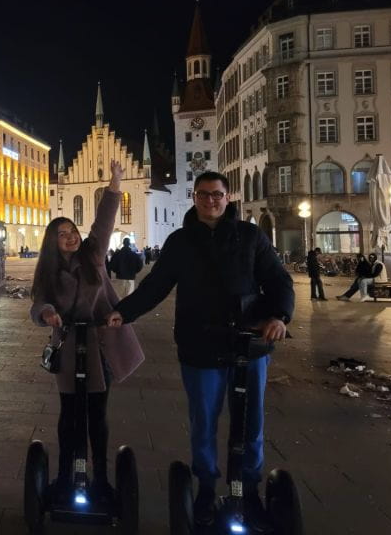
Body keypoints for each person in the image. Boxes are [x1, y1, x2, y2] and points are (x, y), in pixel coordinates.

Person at [108, 171, 293, 527]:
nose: (211, 201)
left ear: (227, 198)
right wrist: (123, 312)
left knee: (251, 422)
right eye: (204, 195)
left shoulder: (251, 236)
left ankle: (248, 488)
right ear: (195, 197)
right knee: (204, 422)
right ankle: (206, 486)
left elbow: (278, 280)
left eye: (217, 195)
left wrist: (280, 316)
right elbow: (156, 286)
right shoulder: (180, 242)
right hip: (200, 344)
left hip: (249, 344)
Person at [30, 160, 145, 502]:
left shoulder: (93, 254)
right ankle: (65, 474)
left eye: (72, 232)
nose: (70, 237)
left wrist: (116, 182)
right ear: (53, 242)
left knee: (97, 415)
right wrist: (48, 314)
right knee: (68, 416)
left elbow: (104, 220)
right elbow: (38, 305)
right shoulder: (48, 273)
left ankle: (101, 477)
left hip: (100, 345)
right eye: (62, 234)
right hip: (67, 346)